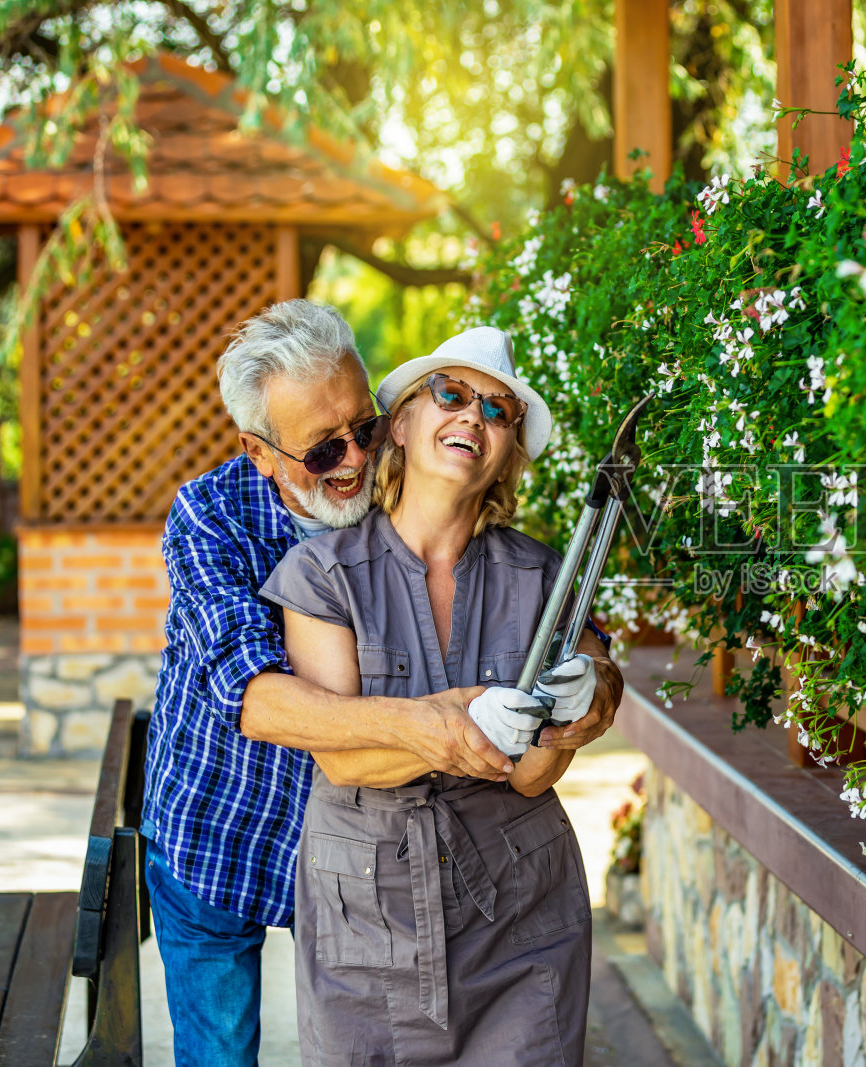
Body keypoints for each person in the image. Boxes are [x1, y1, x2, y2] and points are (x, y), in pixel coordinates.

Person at [143, 302, 620, 1066]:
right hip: (220, 826)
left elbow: (559, 625)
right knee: (219, 1055)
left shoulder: (402, 513)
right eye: (322, 448)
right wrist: (438, 723)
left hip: (355, 863)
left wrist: (595, 684)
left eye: (362, 428)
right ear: (259, 452)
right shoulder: (212, 517)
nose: (353, 461)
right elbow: (258, 701)